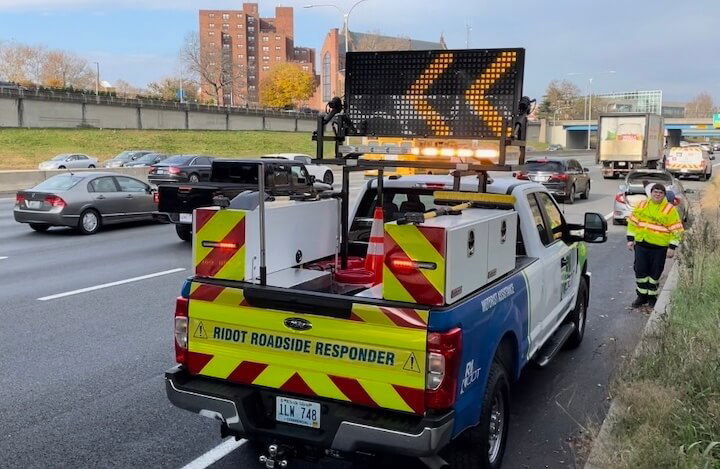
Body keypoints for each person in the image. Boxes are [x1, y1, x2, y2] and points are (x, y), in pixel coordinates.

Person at [627, 183, 684, 308]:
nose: (657, 194)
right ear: (651, 193)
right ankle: (641, 297)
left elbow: (677, 230)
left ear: (664, 195)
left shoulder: (669, 209)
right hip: (641, 245)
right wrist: (630, 239)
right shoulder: (642, 205)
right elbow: (632, 223)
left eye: (660, 193)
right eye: (655, 192)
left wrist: (672, 247)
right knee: (640, 272)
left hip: (659, 248)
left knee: (654, 274)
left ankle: (652, 297)